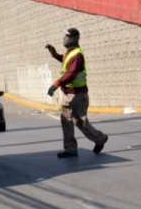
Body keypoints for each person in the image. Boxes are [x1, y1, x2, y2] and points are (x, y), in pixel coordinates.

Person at [46, 28, 109, 158]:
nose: (64, 39)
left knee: (81, 122)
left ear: (74, 38)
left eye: (67, 36)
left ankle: (100, 138)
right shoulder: (70, 53)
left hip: (78, 95)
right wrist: (54, 54)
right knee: (66, 120)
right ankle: (70, 149)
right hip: (68, 94)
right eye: (64, 36)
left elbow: (71, 73)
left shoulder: (77, 55)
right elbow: (65, 61)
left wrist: (56, 84)